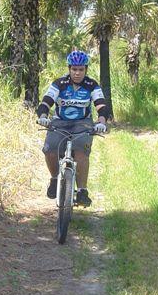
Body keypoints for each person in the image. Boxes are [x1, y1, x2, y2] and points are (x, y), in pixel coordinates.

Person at [36, 50, 108, 206]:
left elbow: (101, 106)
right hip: (59, 122)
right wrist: (43, 117)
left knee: (81, 152)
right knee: (50, 149)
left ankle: (82, 191)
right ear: (69, 69)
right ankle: (55, 179)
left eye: (81, 69)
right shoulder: (59, 84)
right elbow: (46, 102)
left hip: (83, 124)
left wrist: (101, 122)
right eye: (74, 69)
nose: (77, 73)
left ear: (86, 70)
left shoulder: (91, 85)